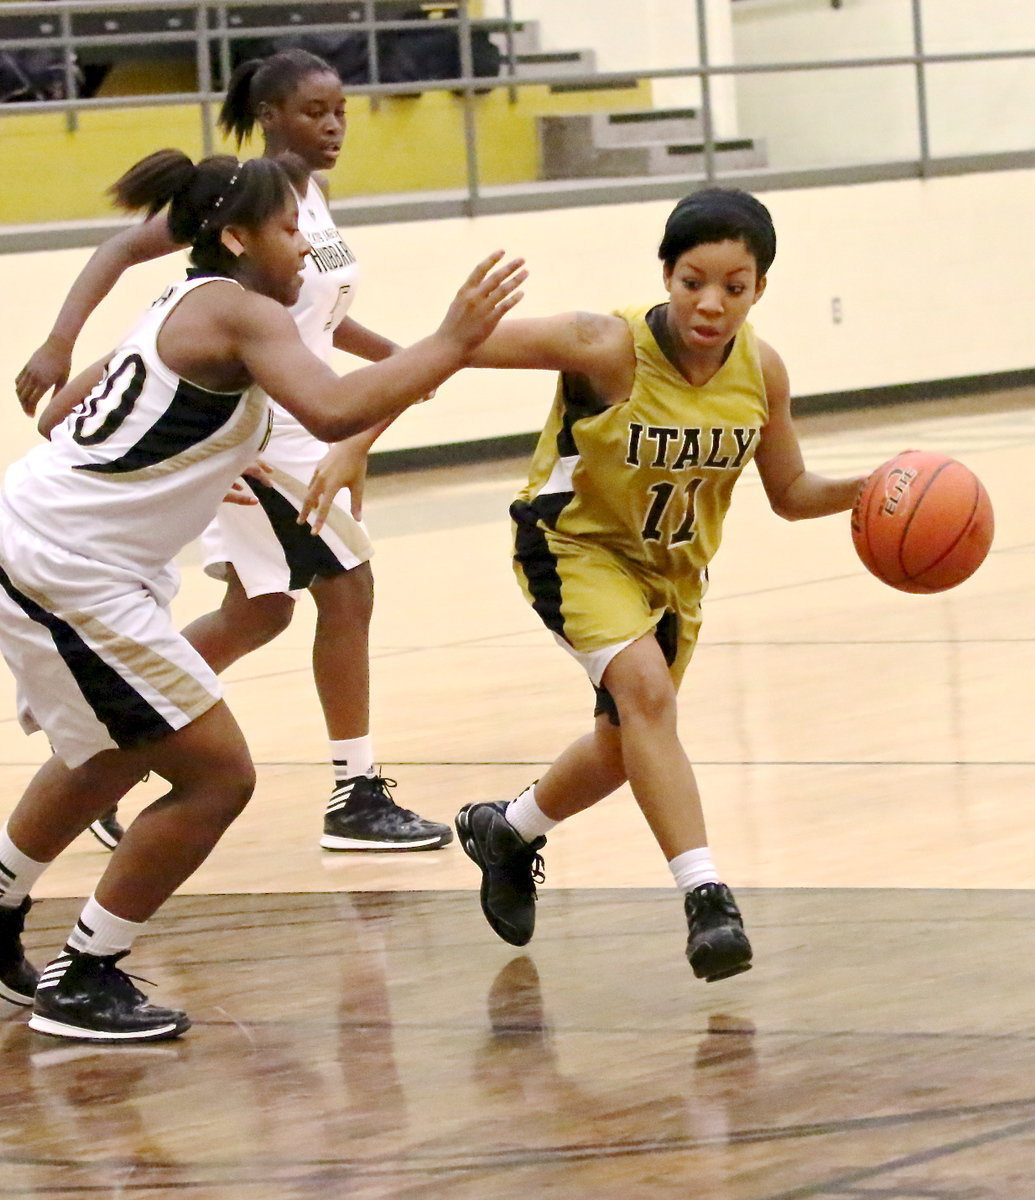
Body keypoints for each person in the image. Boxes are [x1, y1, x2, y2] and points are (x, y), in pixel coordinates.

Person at [0, 147, 525, 1041]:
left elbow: (63, 416)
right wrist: (449, 341)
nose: (302, 247)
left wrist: (180, 448)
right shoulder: (240, 313)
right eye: (289, 230)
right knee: (218, 776)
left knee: (111, 752)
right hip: (69, 565)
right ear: (237, 237)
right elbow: (329, 410)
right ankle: (85, 974)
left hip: (50, 541)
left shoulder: (182, 300)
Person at [15, 49, 451, 855]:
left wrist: (399, 357)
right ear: (271, 116)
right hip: (262, 439)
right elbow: (128, 260)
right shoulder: (241, 198)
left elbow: (318, 319)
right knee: (348, 588)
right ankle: (353, 794)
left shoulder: (309, 202)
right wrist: (60, 344)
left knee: (262, 612)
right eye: (314, 110)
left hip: (287, 420)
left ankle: (122, 742)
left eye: (341, 109)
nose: (332, 125)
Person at [454, 187, 867, 982]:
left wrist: (875, 487)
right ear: (666, 275)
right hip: (572, 544)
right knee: (647, 700)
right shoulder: (605, 345)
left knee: (623, 745)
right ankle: (705, 897)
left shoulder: (761, 372)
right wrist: (351, 434)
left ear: (759, 287)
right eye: (692, 281)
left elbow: (789, 495)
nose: (710, 303)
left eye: (733, 286)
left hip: (672, 579)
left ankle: (507, 830)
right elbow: (452, 346)